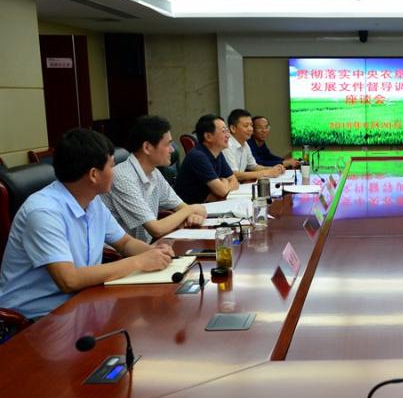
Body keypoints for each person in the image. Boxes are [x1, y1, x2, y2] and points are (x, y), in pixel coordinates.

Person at [0, 129, 174, 320]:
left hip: (83, 302)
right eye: (112, 166)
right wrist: (139, 261)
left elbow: (125, 243)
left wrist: (155, 252)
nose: (115, 173)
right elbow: (69, 280)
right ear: (93, 175)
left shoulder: (92, 200)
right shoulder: (43, 212)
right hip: (36, 319)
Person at [103, 115, 208, 243]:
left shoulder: (154, 173)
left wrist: (191, 213)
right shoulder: (123, 177)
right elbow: (156, 229)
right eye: (168, 144)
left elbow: (183, 207)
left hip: (146, 247)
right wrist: (191, 210)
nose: (172, 150)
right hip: (122, 253)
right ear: (147, 147)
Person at [175, 114, 240, 204]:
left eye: (227, 131)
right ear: (208, 136)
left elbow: (235, 182)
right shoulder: (198, 156)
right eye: (223, 131)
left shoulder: (218, 153)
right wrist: (225, 183)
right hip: (189, 208)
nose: (228, 135)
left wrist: (224, 186)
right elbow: (222, 192)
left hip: (208, 204)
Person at [223, 109, 286, 180]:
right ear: (233, 128)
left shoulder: (245, 144)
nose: (250, 129)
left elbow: (254, 166)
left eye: (251, 125)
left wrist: (273, 169)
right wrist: (266, 172)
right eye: (246, 126)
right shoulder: (227, 145)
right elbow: (234, 175)